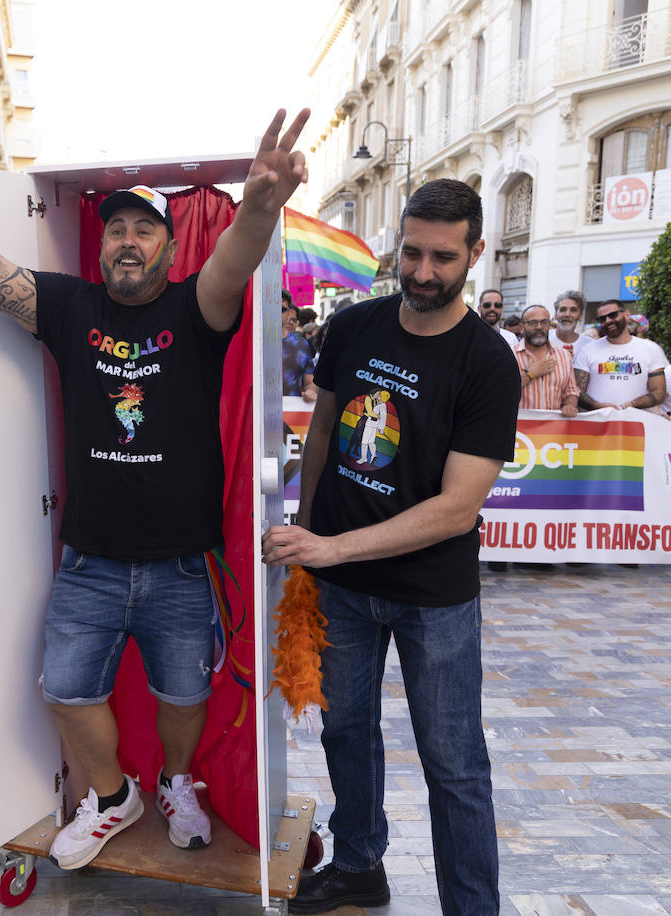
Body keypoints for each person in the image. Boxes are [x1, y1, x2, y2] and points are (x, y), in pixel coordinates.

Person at [0, 107, 310, 869]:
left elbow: (236, 261)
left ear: (171, 249)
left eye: (144, 230)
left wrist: (259, 206)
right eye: (115, 230)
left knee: (185, 695)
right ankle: (115, 797)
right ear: (101, 246)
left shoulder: (197, 307)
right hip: (91, 563)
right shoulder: (71, 308)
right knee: (67, 690)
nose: (127, 242)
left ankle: (179, 780)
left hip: (183, 562)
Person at [262, 178, 518, 915]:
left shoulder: (486, 361)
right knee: (346, 731)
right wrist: (307, 534)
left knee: (455, 766)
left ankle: (472, 907)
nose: (424, 272)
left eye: (443, 256)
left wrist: (334, 551)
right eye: (412, 253)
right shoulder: (355, 328)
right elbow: (324, 433)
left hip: (432, 597)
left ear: (474, 253)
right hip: (341, 587)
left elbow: (456, 508)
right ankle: (358, 865)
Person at [573, 299, 667, 411]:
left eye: (613, 315)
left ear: (627, 315)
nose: (608, 321)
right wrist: (595, 406)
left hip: (636, 422)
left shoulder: (651, 348)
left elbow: (659, 392)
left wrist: (633, 404)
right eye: (602, 319)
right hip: (597, 422)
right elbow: (576, 390)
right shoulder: (588, 350)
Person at [515, 304, 578, 417]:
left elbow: (571, 390)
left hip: (551, 431)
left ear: (549, 325)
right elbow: (500, 392)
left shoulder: (564, 356)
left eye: (544, 322)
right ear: (521, 327)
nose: (539, 327)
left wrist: (569, 405)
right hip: (519, 431)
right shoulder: (509, 355)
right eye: (532, 323)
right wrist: (530, 375)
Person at [282, 301, 316, 401]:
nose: (290, 322)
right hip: (255, 412)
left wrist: (310, 392)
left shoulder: (301, 345)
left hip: (291, 413)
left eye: (294, 320)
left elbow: (309, 382)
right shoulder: (253, 342)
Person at [551, 290, 593, 360]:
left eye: (573, 310)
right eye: (563, 309)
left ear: (580, 316)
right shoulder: (545, 339)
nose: (567, 314)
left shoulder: (589, 345)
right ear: (555, 315)